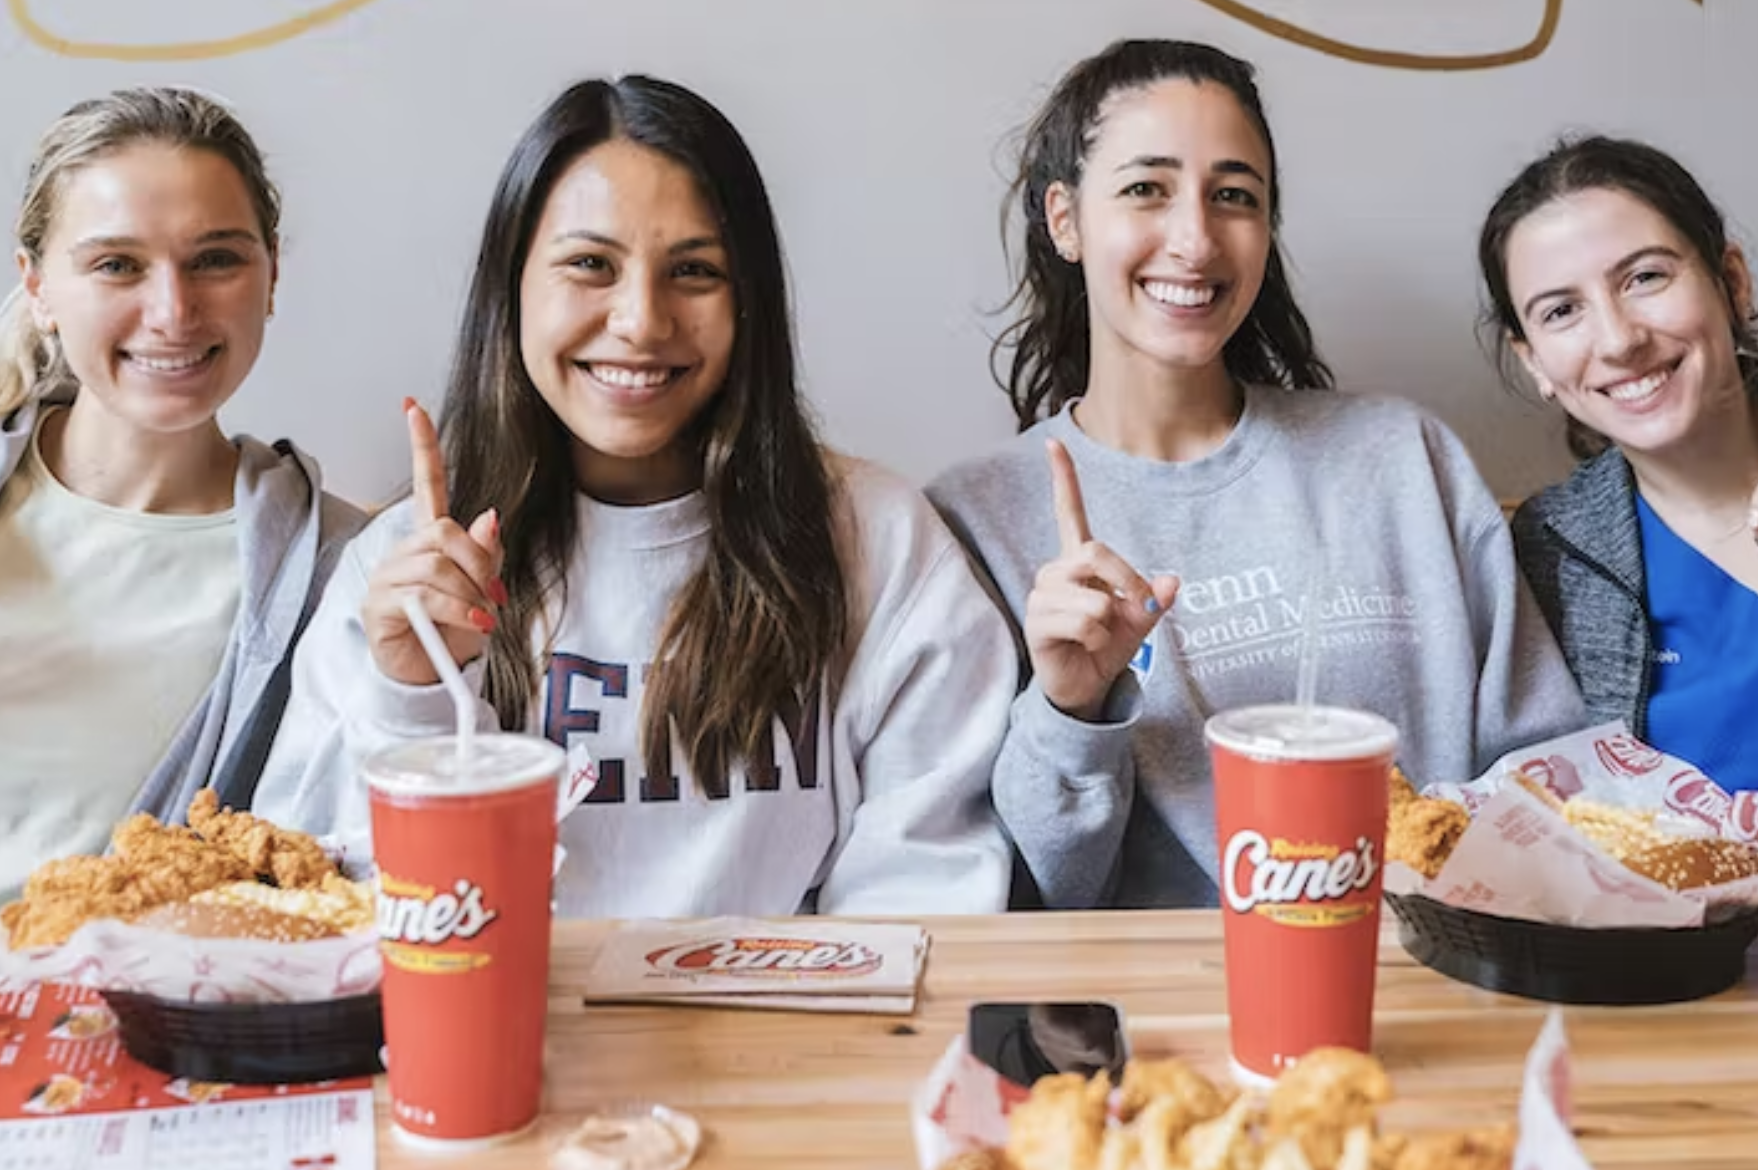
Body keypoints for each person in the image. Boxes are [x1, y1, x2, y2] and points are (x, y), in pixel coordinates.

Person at [253, 75, 1015, 916]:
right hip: (507, 1034)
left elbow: (929, 886)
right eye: (590, 265)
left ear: (750, 302)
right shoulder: (401, 569)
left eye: (694, 271)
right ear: (511, 293)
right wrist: (414, 698)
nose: (642, 321)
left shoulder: (879, 539)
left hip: (802, 1037)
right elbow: (318, 902)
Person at [927, 38, 1585, 909]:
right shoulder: (976, 519)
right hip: (1166, 1016)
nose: (1195, 240)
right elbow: (1039, 901)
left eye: (1234, 196)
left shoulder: (1399, 457)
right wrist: (1069, 713)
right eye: (1145, 190)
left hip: (1445, 988)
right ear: (1065, 220)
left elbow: (1547, 774)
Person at [0, 88, 364, 901]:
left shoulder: (342, 572)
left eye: (215, 259)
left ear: (270, 273)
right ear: (38, 287)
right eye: (116, 264)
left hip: (150, 1016)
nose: (172, 311)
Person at [1479, 135, 1758, 793]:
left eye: (1646, 277)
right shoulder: (1543, 561)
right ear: (1534, 361)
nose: (1619, 339)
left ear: (1733, 285)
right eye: (1562, 311)